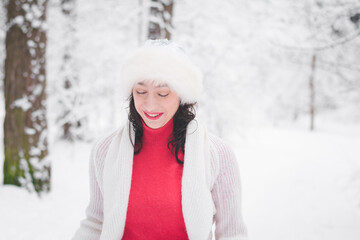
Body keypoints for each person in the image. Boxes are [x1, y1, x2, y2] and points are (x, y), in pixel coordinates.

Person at [72, 39, 248, 240]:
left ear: (182, 95)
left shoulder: (217, 153)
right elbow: (96, 222)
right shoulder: (105, 150)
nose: (150, 104)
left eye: (162, 93)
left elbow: (232, 233)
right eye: (141, 92)